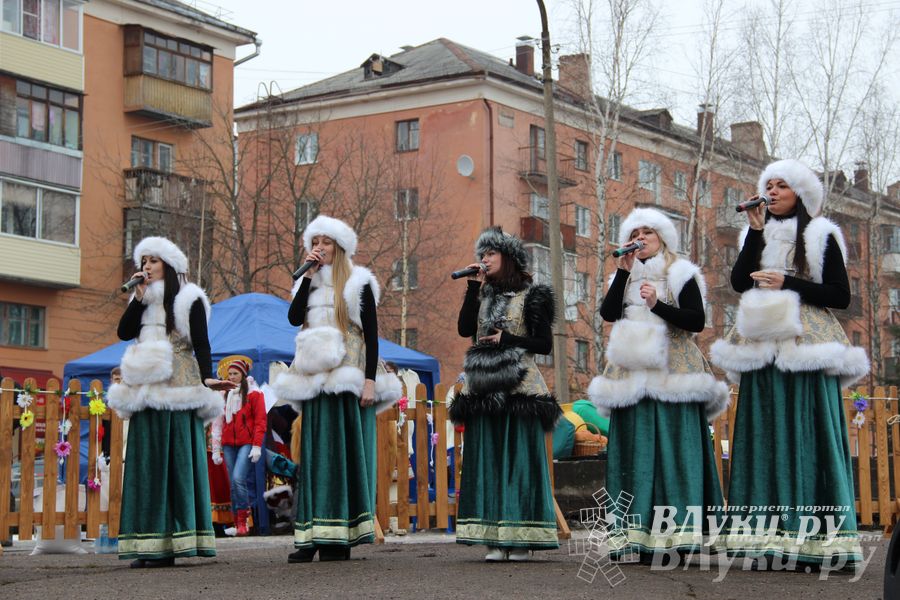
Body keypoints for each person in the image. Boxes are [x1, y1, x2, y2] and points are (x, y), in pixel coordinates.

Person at [710, 159, 869, 569]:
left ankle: (816, 539)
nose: (774, 191)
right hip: (762, 345)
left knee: (806, 431)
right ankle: (763, 538)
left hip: (806, 345)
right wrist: (756, 233)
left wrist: (787, 282)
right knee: (762, 435)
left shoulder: (820, 233)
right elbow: (740, 282)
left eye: (782, 185)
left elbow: (839, 295)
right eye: (770, 185)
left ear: (800, 192)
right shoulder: (755, 233)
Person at [588, 208, 728, 562]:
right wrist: (622, 275)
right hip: (631, 376)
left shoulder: (681, 271)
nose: (640, 238)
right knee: (634, 455)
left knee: (675, 453)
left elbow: (695, 320)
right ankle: (634, 536)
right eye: (635, 232)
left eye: (647, 232)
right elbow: (608, 314)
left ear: (663, 238)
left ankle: (679, 534)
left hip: (674, 374)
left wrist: (658, 304)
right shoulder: (623, 274)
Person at [272, 215, 401, 563]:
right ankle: (311, 535)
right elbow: (292, 318)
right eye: (315, 242)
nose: (319, 248)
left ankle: (338, 536)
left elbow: (372, 336)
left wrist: (370, 380)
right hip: (315, 382)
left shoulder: (358, 283)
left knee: (341, 459)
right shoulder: (307, 282)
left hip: (347, 378)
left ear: (339, 247)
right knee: (313, 459)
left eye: (325, 243)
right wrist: (307, 277)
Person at [107, 236, 233, 568]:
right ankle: (149, 543)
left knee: (176, 466)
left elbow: (202, 343)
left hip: (179, 390)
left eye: (153, 261)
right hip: (146, 391)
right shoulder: (143, 297)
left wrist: (207, 377)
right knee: (147, 467)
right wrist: (136, 297)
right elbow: (123, 332)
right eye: (143, 261)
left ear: (169, 266)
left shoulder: (189, 298)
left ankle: (178, 541)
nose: (146, 267)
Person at [449, 226, 561, 562]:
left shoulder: (534, 295)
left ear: (508, 258)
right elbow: (465, 330)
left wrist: (508, 340)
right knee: (489, 462)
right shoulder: (483, 293)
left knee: (519, 462)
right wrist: (473, 288)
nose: (483, 259)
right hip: (483, 386)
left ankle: (522, 536)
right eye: (481, 254)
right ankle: (495, 538)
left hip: (519, 387)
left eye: (490, 253)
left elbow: (544, 344)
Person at [210, 356, 267, 536]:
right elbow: (217, 423)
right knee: (233, 484)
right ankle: (237, 522)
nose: (232, 376)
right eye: (230, 374)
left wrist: (257, 445)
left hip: (246, 443)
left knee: (237, 479)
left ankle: (243, 520)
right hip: (228, 444)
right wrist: (216, 448)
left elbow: (260, 421)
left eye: (235, 373)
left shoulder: (254, 394)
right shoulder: (223, 394)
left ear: (243, 375)